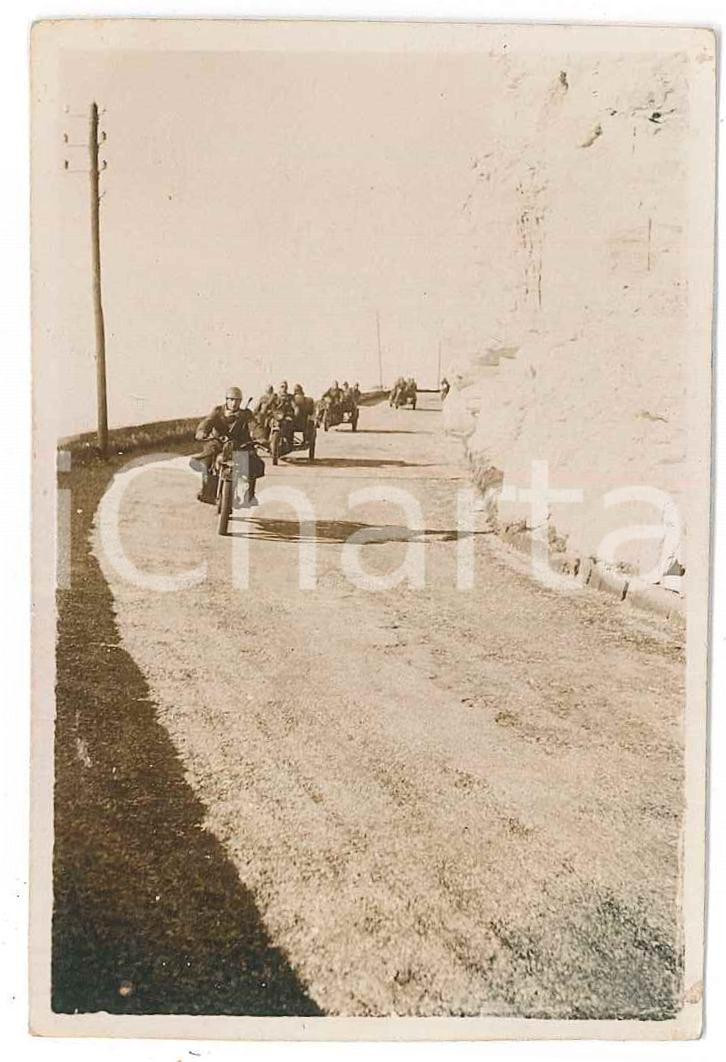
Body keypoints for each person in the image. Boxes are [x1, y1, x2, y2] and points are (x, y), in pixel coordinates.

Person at [189, 386, 263, 506]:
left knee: (252, 460)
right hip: (219, 442)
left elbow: (254, 425)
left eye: (237, 400)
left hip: (240, 444)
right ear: (226, 400)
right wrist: (202, 431)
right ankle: (207, 492)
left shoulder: (246, 414)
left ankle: (249, 495)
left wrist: (260, 436)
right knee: (207, 458)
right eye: (231, 400)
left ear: (241, 401)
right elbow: (207, 422)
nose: (234, 403)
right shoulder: (218, 411)